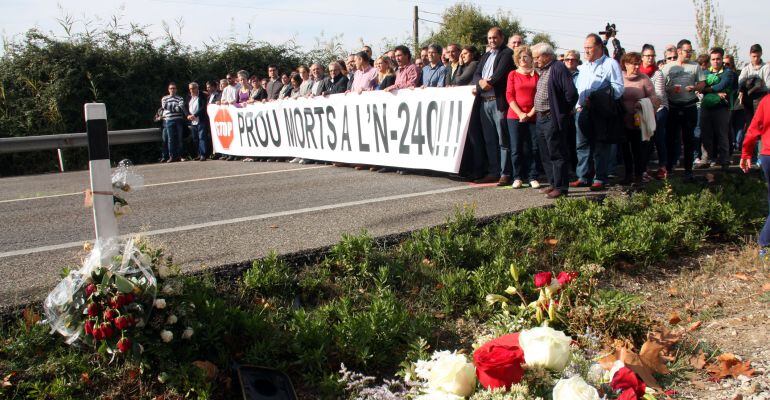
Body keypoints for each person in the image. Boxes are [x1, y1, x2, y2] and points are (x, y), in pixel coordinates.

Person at [572, 33, 625, 191]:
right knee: (582, 144)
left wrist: (597, 98)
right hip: (582, 111)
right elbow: (578, 88)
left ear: (599, 47)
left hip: (600, 112)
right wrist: (577, 106)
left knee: (600, 145)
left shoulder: (610, 64)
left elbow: (618, 89)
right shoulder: (583, 67)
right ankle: (583, 177)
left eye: (589, 48)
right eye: (585, 48)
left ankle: (600, 178)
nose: (586, 51)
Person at [532, 42, 578, 198]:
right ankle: (553, 183)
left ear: (547, 56)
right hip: (541, 117)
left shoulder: (557, 68)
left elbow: (571, 93)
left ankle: (561, 187)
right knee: (545, 153)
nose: (535, 60)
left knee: (557, 153)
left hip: (552, 117)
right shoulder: (543, 70)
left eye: (537, 57)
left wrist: (562, 111)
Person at [472, 27, 515, 185]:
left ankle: (506, 173)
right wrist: (481, 83)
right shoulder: (486, 55)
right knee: (489, 139)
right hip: (484, 102)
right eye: (489, 38)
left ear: (502, 38)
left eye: (495, 38)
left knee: (503, 139)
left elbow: (499, 74)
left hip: (498, 102)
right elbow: (476, 74)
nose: (492, 41)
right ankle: (494, 171)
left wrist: (487, 83)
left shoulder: (507, 53)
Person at [661, 39, 706, 180]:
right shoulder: (669, 67)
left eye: (691, 51)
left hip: (689, 106)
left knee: (689, 139)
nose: (689, 53)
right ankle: (668, 168)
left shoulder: (695, 66)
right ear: (679, 51)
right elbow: (661, 86)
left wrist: (695, 88)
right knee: (670, 139)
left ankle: (688, 170)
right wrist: (670, 89)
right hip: (673, 106)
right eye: (687, 51)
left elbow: (702, 84)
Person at [620, 52, 660, 184]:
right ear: (626, 64)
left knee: (638, 150)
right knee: (625, 150)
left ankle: (638, 175)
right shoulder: (619, 77)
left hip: (639, 120)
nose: (637, 67)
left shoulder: (644, 79)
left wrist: (643, 103)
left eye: (638, 64)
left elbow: (654, 98)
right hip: (623, 120)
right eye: (634, 64)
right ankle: (627, 175)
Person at [506, 45, 541, 189]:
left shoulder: (537, 75)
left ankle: (532, 176)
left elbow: (540, 96)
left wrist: (530, 113)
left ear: (531, 58)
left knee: (533, 147)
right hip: (515, 116)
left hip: (533, 116)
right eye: (519, 57)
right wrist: (520, 114)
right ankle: (518, 177)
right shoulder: (512, 74)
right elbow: (509, 95)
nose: (522, 59)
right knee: (516, 148)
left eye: (525, 56)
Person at [740, 94, 770, 252]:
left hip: (766, 156)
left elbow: (753, 129)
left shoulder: (766, 100)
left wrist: (746, 153)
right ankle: (764, 245)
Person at [699, 47, 736, 170]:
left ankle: (724, 160)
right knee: (706, 134)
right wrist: (716, 93)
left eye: (718, 59)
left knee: (722, 134)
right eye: (713, 59)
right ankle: (706, 159)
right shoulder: (705, 72)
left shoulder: (728, 73)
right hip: (706, 107)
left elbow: (723, 85)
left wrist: (708, 89)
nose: (716, 61)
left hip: (721, 108)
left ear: (722, 59)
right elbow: (700, 88)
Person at [640, 44, 670, 180]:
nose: (650, 58)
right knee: (644, 139)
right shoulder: (638, 72)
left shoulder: (658, 73)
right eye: (647, 56)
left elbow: (658, 95)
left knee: (658, 135)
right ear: (642, 57)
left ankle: (663, 166)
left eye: (652, 56)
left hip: (659, 108)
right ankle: (643, 167)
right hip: (643, 108)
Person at [160, 82, 188, 163]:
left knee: (180, 138)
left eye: (174, 88)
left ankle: (181, 156)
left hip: (179, 120)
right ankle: (171, 156)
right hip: (169, 120)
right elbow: (165, 106)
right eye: (171, 88)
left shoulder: (180, 98)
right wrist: (176, 107)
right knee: (170, 139)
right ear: (168, 90)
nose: (172, 90)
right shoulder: (164, 98)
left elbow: (180, 108)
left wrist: (172, 107)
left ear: (176, 89)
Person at [186, 82, 209, 161]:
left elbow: (203, 107)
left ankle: (203, 154)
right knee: (195, 138)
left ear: (197, 88)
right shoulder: (189, 97)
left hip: (201, 119)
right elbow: (185, 107)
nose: (191, 90)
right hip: (192, 121)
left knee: (202, 137)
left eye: (193, 88)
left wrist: (195, 115)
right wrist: (188, 115)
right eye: (190, 89)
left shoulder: (202, 95)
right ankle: (199, 154)